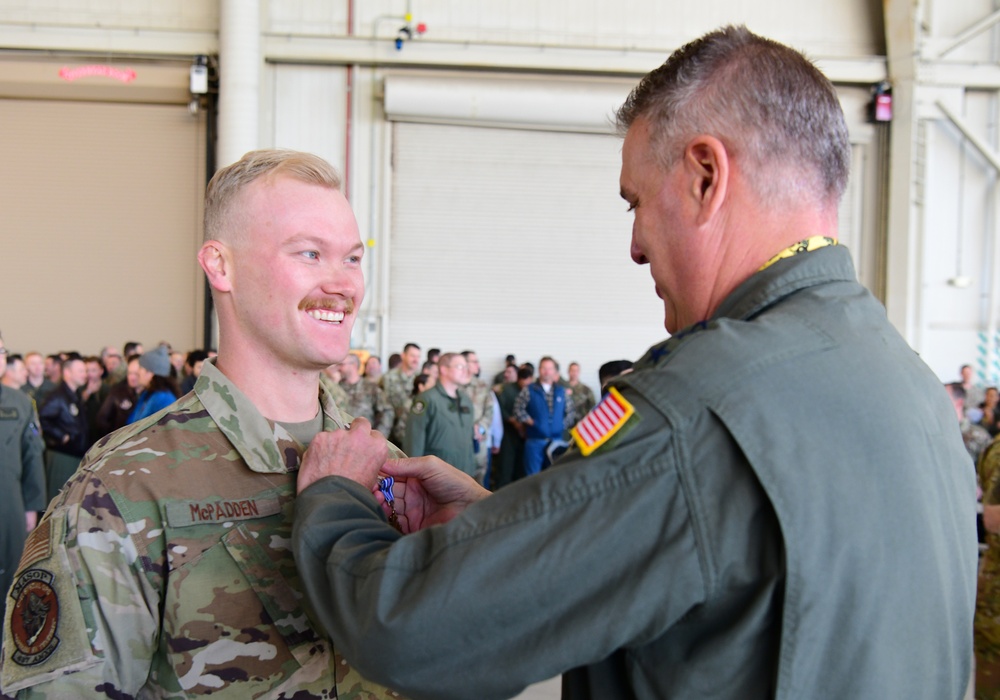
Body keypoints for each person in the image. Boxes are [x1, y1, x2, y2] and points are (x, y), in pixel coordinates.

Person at [290, 26, 976, 700]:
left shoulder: (700, 406)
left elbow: (410, 629)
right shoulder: (904, 381)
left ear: (706, 176)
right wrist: (520, 523)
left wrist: (335, 504)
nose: (636, 246)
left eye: (637, 202)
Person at [0, 150, 401, 699]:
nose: (342, 285)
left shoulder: (395, 471)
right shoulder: (122, 489)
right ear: (221, 266)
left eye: (353, 259)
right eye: (310, 253)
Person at [0, 333, 46, 629]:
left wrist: (32, 506)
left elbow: (33, 455)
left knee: (9, 575)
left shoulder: (19, 402)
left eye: (1, 350)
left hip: (9, 503)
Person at [404, 353, 476, 476]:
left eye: (466, 367)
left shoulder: (465, 400)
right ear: (443, 369)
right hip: (437, 474)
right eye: (460, 367)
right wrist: (412, 474)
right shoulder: (427, 399)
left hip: (464, 474)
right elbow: (414, 440)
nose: (465, 371)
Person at [37, 354, 88, 501]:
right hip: (62, 456)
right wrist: (61, 436)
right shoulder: (57, 396)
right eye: (80, 371)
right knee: (59, 499)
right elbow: (43, 418)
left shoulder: (75, 395)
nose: (84, 375)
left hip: (74, 455)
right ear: (67, 372)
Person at [513, 356, 575, 476]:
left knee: (554, 476)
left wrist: (561, 425)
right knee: (532, 478)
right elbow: (517, 409)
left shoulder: (561, 392)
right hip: (535, 441)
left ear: (555, 371)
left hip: (557, 442)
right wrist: (532, 422)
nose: (546, 371)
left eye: (550, 368)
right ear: (539, 370)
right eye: (544, 368)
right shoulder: (529, 390)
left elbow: (571, 412)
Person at [338, 352, 393, 435]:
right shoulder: (336, 388)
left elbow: (387, 412)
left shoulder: (371, 388)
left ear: (354, 365)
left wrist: (378, 436)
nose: (339, 368)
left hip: (364, 440)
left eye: (342, 364)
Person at [380, 342, 421, 445]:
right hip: (389, 434)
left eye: (418, 356)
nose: (416, 360)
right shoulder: (388, 377)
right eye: (412, 356)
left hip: (410, 434)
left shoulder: (421, 380)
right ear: (403, 356)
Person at [126, 345, 180, 424]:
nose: (138, 372)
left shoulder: (163, 399)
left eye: (141, 368)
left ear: (150, 373)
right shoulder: (148, 394)